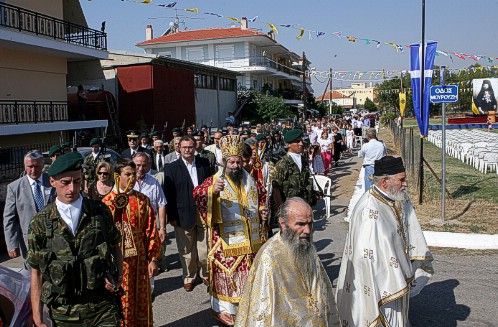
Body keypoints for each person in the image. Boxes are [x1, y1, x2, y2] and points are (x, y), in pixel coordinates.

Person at [336, 156, 433, 327]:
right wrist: (388, 281)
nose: (405, 184)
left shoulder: (394, 198)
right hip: (380, 286)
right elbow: (365, 258)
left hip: (396, 280)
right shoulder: (369, 210)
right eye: (401, 179)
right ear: (385, 182)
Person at [27, 152, 122, 326]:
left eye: (77, 181)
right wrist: (38, 318)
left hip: (102, 307)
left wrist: (118, 276)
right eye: (65, 182)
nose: (72, 188)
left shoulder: (99, 212)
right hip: (65, 313)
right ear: (52, 182)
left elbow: (116, 245)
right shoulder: (40, 222)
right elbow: (36, 272)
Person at [193, 135, 268, 326]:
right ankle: (226, 313)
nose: (235, 165)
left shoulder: (251, 180)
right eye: (232, 162)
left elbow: (261, 199)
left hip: (251, 243)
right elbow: (197, 195)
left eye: (238, 161)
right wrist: (212, 193)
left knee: (249, 281)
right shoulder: (214, 181)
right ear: (225, 162)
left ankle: (248, 311)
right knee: (228, 278)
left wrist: (262, 211)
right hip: (226, 243)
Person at [235, 197, 339, 326]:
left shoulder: (306, 248)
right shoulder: (270, 258)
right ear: (283, 224)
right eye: (300, 224)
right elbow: (262, 314)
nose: (307, 231)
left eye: (310, 223)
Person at [102, 160, 161, 327]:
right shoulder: (106, 203)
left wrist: (153, 259)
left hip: (140, 261)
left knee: (141, 302)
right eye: (128, 174)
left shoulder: (142, 200)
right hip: (118, 263)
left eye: (134, 174)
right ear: (117, 176)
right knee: (121, 303)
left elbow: (151, 231)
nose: (133, 177)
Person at [163, 136, 213, 292]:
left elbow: (211, 186)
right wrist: (171, 216)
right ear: (179, 148)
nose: (187, 150)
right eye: (184, 147)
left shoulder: (204, 163)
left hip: (204, 212)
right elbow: (168, 194)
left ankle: (206, 274)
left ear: (195, 147)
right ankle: (189, 276)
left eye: (190, 147)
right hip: (182, 214)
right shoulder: (171, 168)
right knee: (186, 249)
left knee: (205, 247)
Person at [3, 150, 54, 259]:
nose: (33, 170)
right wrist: (12, 244)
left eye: (37, 166)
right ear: (24, 166)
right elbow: (9, 218)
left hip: (54, 239)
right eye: (30, 166)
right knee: (32, 274)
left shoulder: (53, 181)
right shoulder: (14, 188)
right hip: (29, 243)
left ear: (42, 165)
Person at [271, 129, 316, 227]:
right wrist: (281, 211)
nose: (301, 143)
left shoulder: (303, 161)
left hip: (303, 205)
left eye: (301, 140)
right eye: (297, 141)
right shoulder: (283, 164)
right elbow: (276, 189)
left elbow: (307, 181)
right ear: (289, 145)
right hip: (289, 208)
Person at [132, 152, 168, 272]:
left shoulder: (154, 182)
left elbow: (161, 204)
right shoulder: (125, 182)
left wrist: (162, 228)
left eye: (144, 165)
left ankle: (149, 286)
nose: (140, 169)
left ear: (148, 166)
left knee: (151, 255)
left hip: (150, 224)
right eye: (137, 165)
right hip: (132, 225)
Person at [358, 128, 387, 192]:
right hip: (380, 167)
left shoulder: (365, 145)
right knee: (379, 186)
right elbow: (385, 155)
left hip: (369, 166)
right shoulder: (381, 144)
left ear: (367, 136)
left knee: (369, 187)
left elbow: (360, 155)